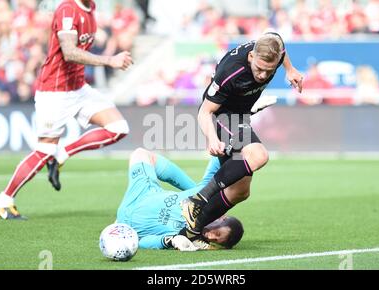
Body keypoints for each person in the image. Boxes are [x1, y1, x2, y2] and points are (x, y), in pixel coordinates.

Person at [0, 0, 133, 220]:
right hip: (55, 91)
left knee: (118, 127)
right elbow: (68, 52)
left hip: (78, 88)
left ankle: (63, 153)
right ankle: (3, 200)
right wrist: (109, 60)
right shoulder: (67, 9)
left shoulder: (91, 7)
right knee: (44, 150)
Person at [180, 31, 303, 242]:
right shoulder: (230, 71)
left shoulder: (275, 49)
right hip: (222, 116)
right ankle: (196, 200)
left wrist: (290, 69)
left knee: (240, 191)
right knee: (258, 156)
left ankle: (188, 234)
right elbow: (205, 111)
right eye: (259, 69)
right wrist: (212, 138)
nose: (263, 75)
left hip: (240, 117)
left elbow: (281, 49)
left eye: (269, 70)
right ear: (251, 57)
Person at [116, 148, 244, 251]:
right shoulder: (209, 196)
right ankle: (197, 193)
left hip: (128, 225)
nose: (210, 237)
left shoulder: (188, 236)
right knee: (141, 154)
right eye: (217, 234)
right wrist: (200, 193)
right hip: (143, 192)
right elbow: (221, 157)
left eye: (215, 242)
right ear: (222, 218)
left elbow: (142, 242)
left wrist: (171, 240)